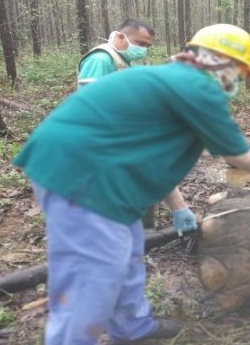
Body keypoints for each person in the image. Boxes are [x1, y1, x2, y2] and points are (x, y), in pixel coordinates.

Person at [13, 24, 250, 345]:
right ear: (220, 61)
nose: (238, 82)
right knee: (94, 274)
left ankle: (132, 325)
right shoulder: (197, 88)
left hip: (97, 169)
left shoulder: (173, 82)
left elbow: (154, 159)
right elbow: (238, 154)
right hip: (81, 176)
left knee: (128, 250)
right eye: (240, 73)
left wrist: (179, 208)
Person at [77, 18, 191, 231]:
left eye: (147, 46)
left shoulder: (124, 61)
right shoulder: (101, 59)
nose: (142, 50)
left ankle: (142, 238)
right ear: (121, 37)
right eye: (139, 44)